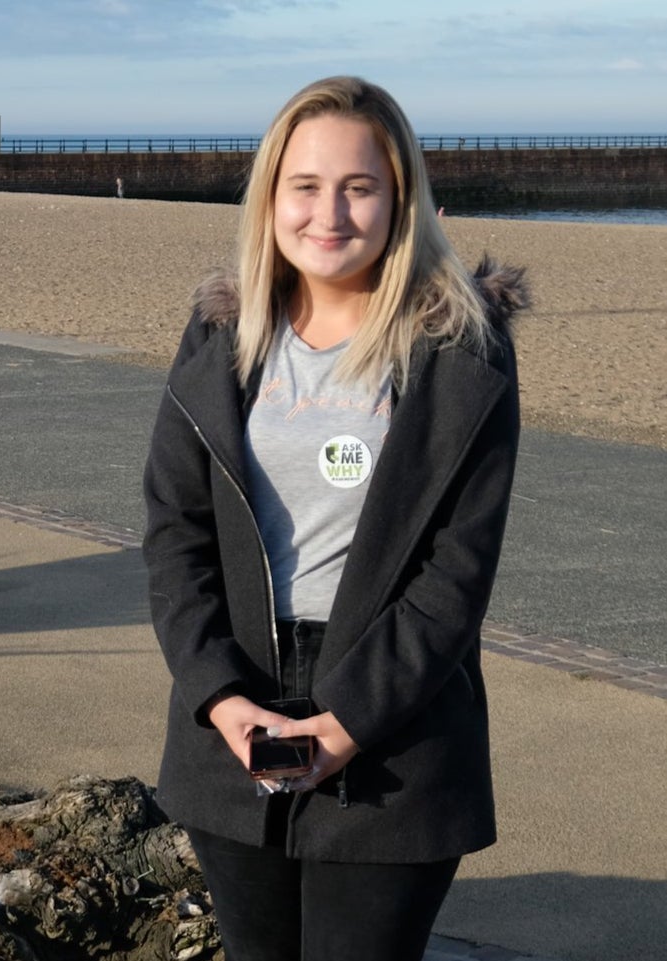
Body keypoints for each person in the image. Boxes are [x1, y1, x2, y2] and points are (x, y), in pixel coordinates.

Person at [142, 75, 528, 961]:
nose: (330, 213)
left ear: (399, 198)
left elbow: (456, 571)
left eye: (359, 187)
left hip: (398, 725)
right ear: (269, 196)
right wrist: (221, 698)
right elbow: (174, 532)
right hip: (235, 714)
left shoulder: (460, 350)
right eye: (304, 186)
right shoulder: (220, 336)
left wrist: (351, 717)